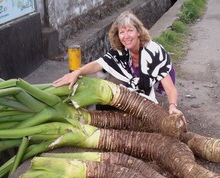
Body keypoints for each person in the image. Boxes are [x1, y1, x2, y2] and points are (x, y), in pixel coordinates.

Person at [53, 11, 184, 117]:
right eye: (122, 32)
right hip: (135, 77)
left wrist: (172, 105)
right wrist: (77, 72)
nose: (126, 36)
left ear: (138, 32)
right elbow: (99, 63)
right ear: (118, 35)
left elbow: (170, 87)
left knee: (156, 93)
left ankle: (148, 93)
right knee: (108, 83)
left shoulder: (153, 52)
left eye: (130, 30)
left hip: (162, 69)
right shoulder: (121, 51)